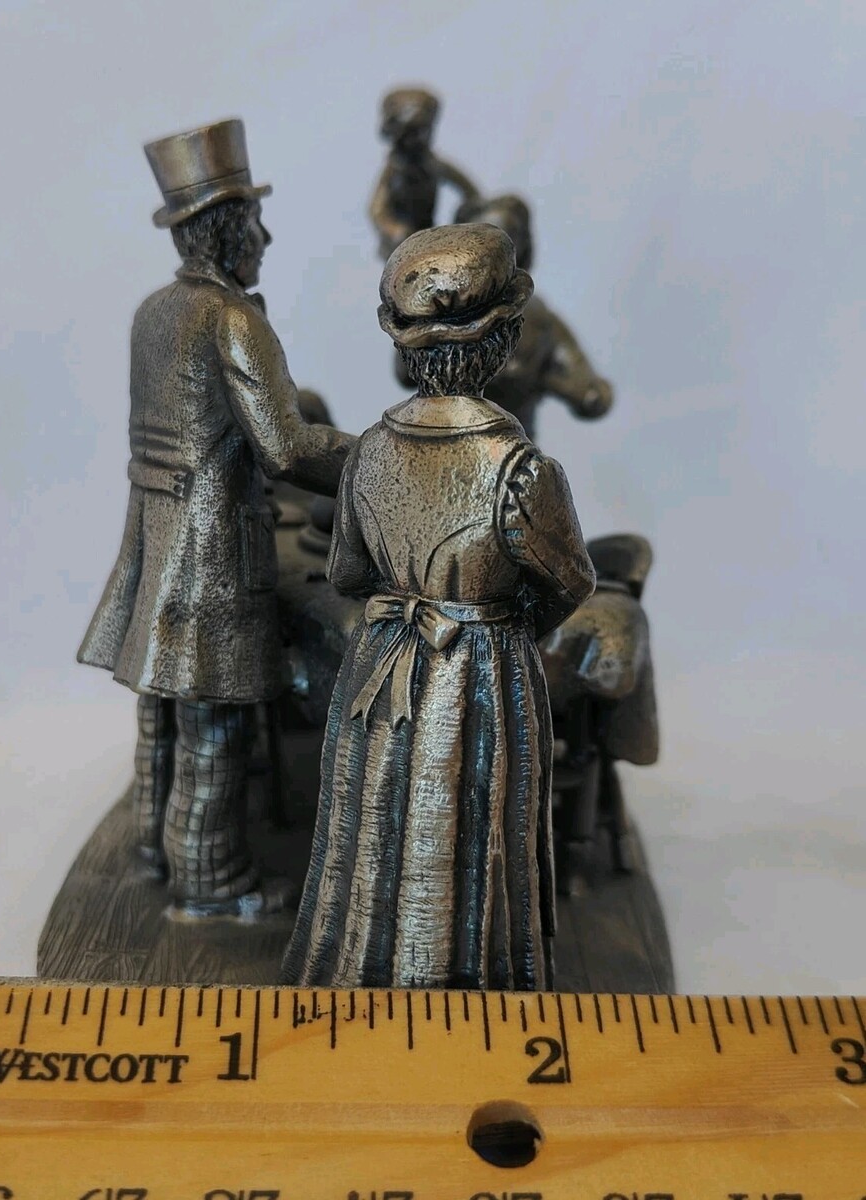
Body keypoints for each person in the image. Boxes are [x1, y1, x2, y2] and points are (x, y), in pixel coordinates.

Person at [281, 224, 595, 990]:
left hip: (381, 658)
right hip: (482, 667)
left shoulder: (368, 452)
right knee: (474, 817)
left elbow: (347, 572)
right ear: (503, 342)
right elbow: (570, 582)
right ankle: (471, 976)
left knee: (373, 817)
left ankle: (366, 967)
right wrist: (504, 626)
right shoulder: (520, 469)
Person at [78, 119, 353, 914]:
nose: (264, 238)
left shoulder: (154, 311)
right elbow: (286, 449)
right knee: (213, 728)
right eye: (255, 221)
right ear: (229, 229)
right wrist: (375, 456)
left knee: (162, 711)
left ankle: (150, 849)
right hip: (212, 554)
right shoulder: (233, 319)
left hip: (155, 542)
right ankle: (211, 883)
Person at [455, 193, 614, 441]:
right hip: (444, 447)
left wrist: (589, 393)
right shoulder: (445, 312)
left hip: (514, 449)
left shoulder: (540, 320)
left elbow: (583, 386)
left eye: (504, 245)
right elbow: (406, 371)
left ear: (521, 250)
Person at [369, 87, 479, 259]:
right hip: (400, 243)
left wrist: (472, 214)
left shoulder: (433, 165)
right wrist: (393, 229)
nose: (415, 139)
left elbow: (469, 190)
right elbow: (377, 209)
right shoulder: (394, 169)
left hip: (428, 233)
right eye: (409, 133)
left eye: (421, 131)